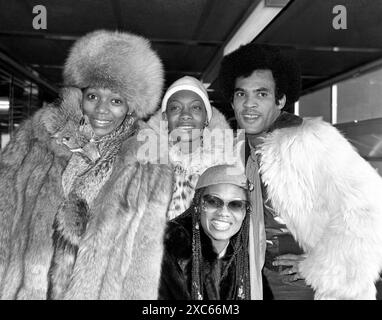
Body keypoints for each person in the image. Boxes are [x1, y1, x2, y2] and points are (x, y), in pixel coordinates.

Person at [0, 30, 173, 299]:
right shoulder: (38, 136)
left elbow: (145, 254)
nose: (101, 109)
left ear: (131, 107)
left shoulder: (149, 161)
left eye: (116, 100)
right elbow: (4, 212)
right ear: (79, 94)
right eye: (93, 96)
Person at [218, 43, 382, 300]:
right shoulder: (236, 149)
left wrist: (319, 266)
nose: (249, 104)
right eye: (241, 94)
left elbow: (370, 206)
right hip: (253, 280)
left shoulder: (312, 140)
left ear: (280, 99)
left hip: (302, 286)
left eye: (261, 94)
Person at [159, 164, 253, 300]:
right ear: (197, 205)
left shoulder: (243, 251)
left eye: (236, 205)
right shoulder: (170, 243)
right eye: (213, 201)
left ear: (245, 212)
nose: (224, 213)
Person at [147, 76, 231, 220]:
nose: (185, 115)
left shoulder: (227, 166)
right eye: (175, 108)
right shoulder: (143, 166)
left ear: (206, 118)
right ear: (165, 118)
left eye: (195, 107)